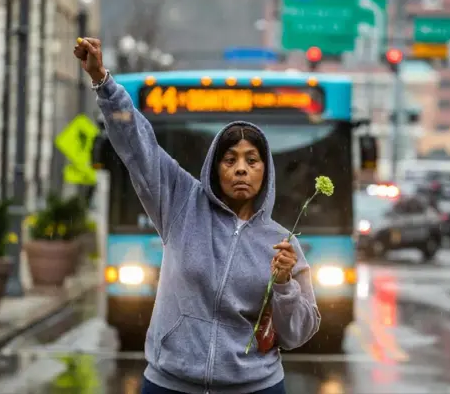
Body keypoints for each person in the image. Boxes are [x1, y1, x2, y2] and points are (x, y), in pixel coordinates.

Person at [75, 37, 320, 394]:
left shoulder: (283, 243)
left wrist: (284, 285)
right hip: (169, 385)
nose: (240, 169)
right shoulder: (181, 204)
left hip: (255, 388)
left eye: (252, 161)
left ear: (265, 171)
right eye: (229, 159)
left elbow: (298, 333)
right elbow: (137, 143)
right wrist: (103, 81)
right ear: (213, 167)